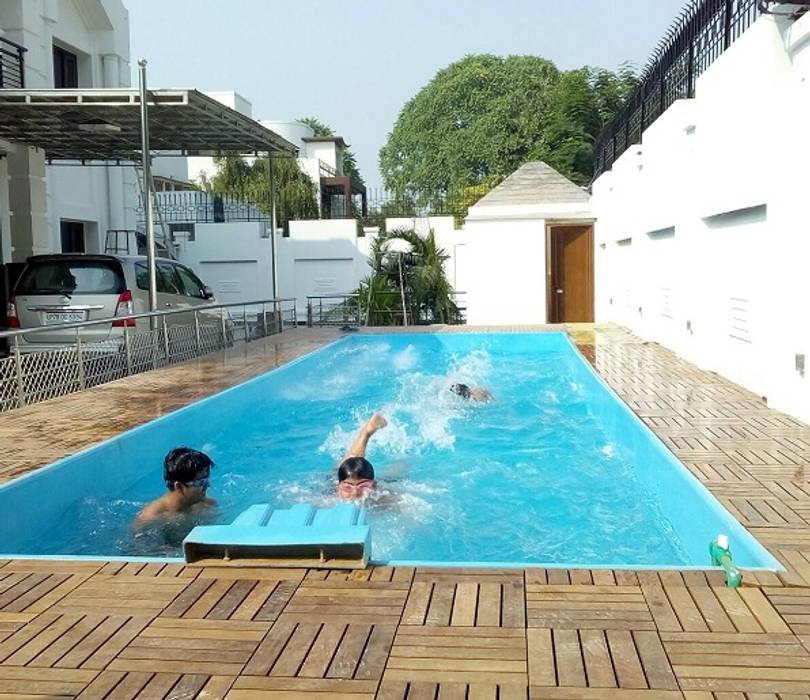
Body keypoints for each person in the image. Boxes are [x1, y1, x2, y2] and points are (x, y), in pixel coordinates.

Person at [134, 447, 216, 527]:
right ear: (179, 486)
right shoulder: (151, 518)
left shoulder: (207, 505)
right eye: (201, 482)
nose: (208, 485)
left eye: (207, 479)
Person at [336, 413, 388, 501]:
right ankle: (366, 433)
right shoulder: (330, 498)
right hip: (335, 478)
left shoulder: (382, 498)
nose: (355, 493)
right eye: (347, 487)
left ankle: (366, 433)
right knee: (344, 467)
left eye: (363, 486)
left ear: (374, 485)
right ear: (338, 488)